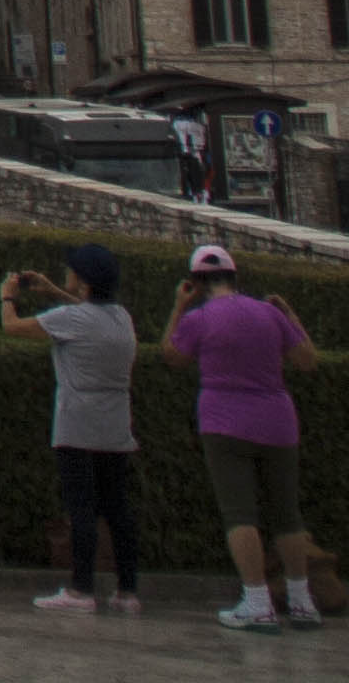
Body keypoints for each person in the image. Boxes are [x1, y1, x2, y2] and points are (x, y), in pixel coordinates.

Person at [166, 242, 321, 629]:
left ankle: (257, 603)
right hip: (278, 421)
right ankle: (303, 603)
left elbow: (172, 356)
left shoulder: (199, 318)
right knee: (288, 515)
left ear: (197, 284)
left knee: (240, 515)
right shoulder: (269, 313)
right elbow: (307, 362)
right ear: (235, 277)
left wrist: (178, 308)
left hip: (223, 422)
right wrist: (291, 315)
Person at [2, 245, 140, 612]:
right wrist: (52, 292)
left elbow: (12, 327)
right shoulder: (121, 317)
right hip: (115, 423)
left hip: (77, 423)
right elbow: (87, 314)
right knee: (117, 509)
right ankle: (128, 591)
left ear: (83, 279)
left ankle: (81, 590)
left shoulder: (71, 319)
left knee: (81, 510)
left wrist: (7, 297)